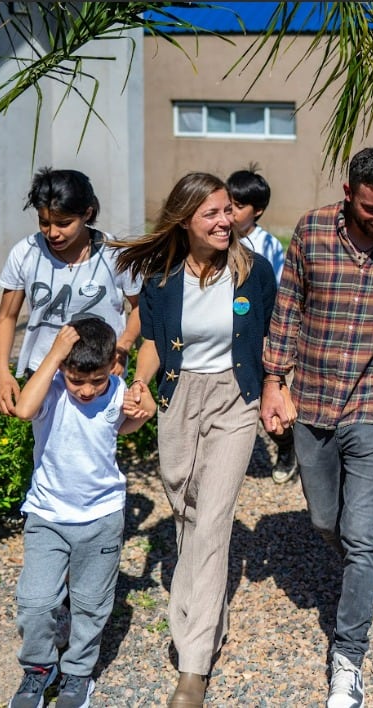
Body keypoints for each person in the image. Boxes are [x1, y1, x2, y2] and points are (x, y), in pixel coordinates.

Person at [260, 146, 373, 708]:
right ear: (349, 194)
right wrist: (275, 379)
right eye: (372, 209)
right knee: (326, 520)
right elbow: (287, 307)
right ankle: (361, 564)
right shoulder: (312, 230)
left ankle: (348, 658)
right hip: (313, 403)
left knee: (364, 537)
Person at [113, 172, 278, 707]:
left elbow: (274, 335)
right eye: (212, 212)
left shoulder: (255, 273)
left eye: (228, 210)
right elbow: (157, 345)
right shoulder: (162, 279)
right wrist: (140, 384)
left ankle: (194, 660)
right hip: (179, 397)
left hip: (236, 398)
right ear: (185, 220)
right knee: (185, 509)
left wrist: (279, 387)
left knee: (211, 521)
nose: (225, 220)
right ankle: (208, 618)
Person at [8, 318, 155, 708]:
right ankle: (38, 669)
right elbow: (23, 410)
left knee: (91, 603)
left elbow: (120, 429)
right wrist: (55, 355)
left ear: (111, 367)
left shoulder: (118, 390)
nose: (87, 390)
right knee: (37, 602)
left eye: (98, 380)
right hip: (48, 516)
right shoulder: (50, 392)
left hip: (102, 517)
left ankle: (78, 673)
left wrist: (143, 412)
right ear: (61, 370)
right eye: (77, 380)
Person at [0, 168, 141, 417]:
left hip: (99, 377)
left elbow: (139, 308)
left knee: (99, 447)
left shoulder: (114, 254)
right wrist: (2, 372)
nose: (52, 233)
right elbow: (6, 317)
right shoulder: (25, 253)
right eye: (44, 222)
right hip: (43, 374)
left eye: (63, 223)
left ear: (87, 214)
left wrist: (123, 347)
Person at [227, 166, 297, 485]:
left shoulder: (266, 246)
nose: (230, 212)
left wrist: (274, 344)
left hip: (257, 337)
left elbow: (280, 297)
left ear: (258, 211)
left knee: (264, 404)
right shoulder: (215, 237)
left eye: (238, 206)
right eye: (227, 203)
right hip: (223, 335)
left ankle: (286, 446)